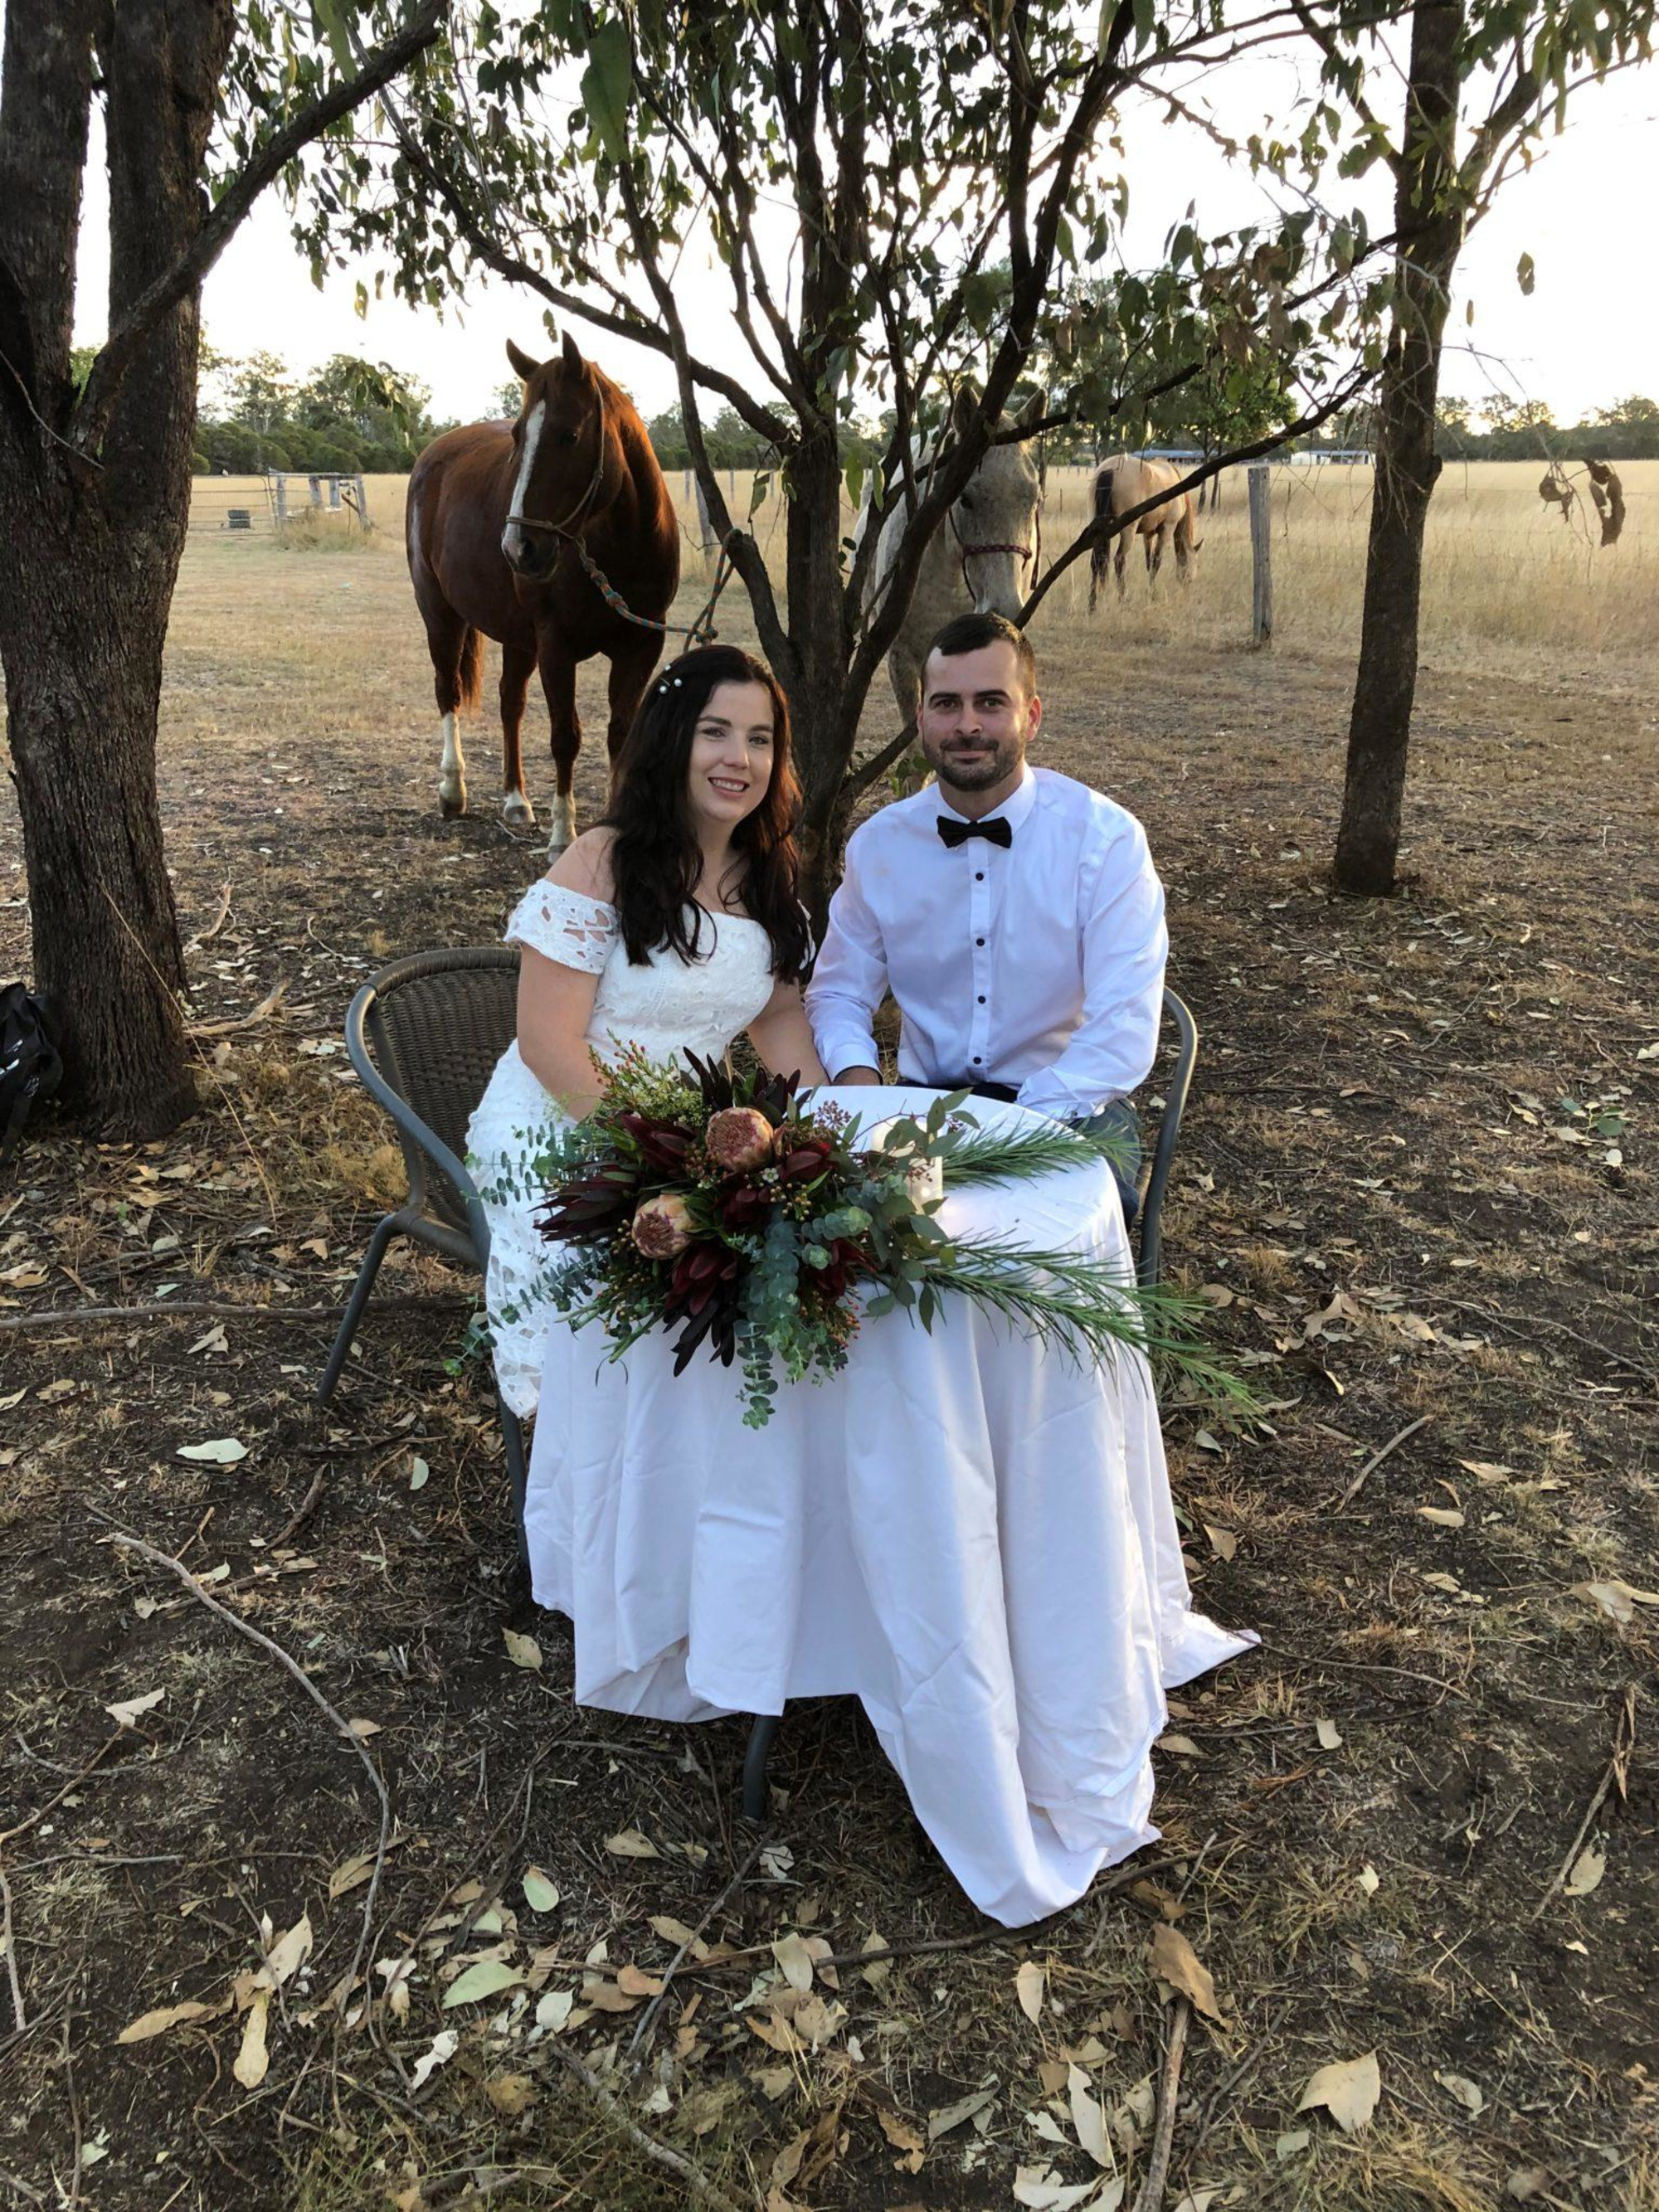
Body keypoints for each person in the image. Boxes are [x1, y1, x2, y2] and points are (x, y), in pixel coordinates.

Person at [466, 644, 826, 1417]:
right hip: (563, 1123)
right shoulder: (604, 861)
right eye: (716, 732)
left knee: (785, 1255)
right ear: (672, 738)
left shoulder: (765, 872)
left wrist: (829, 1134)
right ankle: (593, 1468)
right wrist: (653, 1160)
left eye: (760, 739)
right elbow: (547, 1043)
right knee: (632, 1278)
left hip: (690, 1138)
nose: (740, 758)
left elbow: (781, 1015)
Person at [805, 610, 1165, 1223]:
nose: (967, 724)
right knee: (884, 1244)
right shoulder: (879, 845)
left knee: (1033, 1248)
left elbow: (1122, 1029)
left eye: (990, 702)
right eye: (946, 703)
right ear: (919, 719)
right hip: (918, 1110)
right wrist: (866, 1096)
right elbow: (838, 990)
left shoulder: (1105, 842)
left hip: (1072, 1106)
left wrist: (1008, 1130)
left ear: (1032, 715)